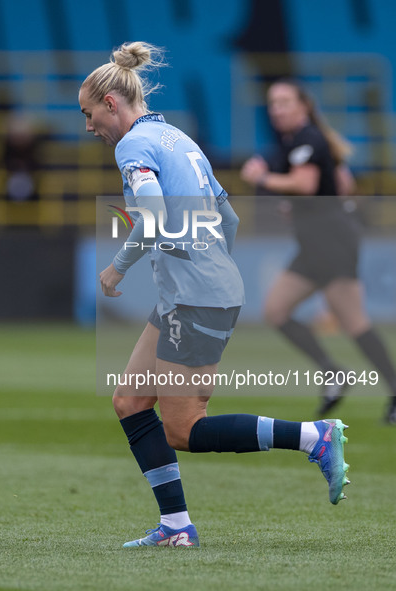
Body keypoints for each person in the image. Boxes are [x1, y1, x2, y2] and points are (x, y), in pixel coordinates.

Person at [79, 43, 350, 549]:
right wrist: (207, 266)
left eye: (88, 113)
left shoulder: (132, 146)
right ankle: (176, 528)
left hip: (195, 296)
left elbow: (155, 218)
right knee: (130, 401)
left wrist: (117, 269)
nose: (89, 125)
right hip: (194, 291)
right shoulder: (178, 137)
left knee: (184, 428)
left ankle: (315, 438)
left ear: (111, 104)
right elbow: (228, 218)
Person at [240, 79, 396, 424]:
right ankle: (333, 371)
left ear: (303, 106)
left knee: (355, 322)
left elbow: (306, 185)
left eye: (284, 101)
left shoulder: (307, 137)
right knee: (276, 311)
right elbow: (341, 183)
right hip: (316, 243)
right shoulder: (296, 140)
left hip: (332, 243)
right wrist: (296, 206)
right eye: (272, 102)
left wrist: (263, 178)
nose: (277, 108)